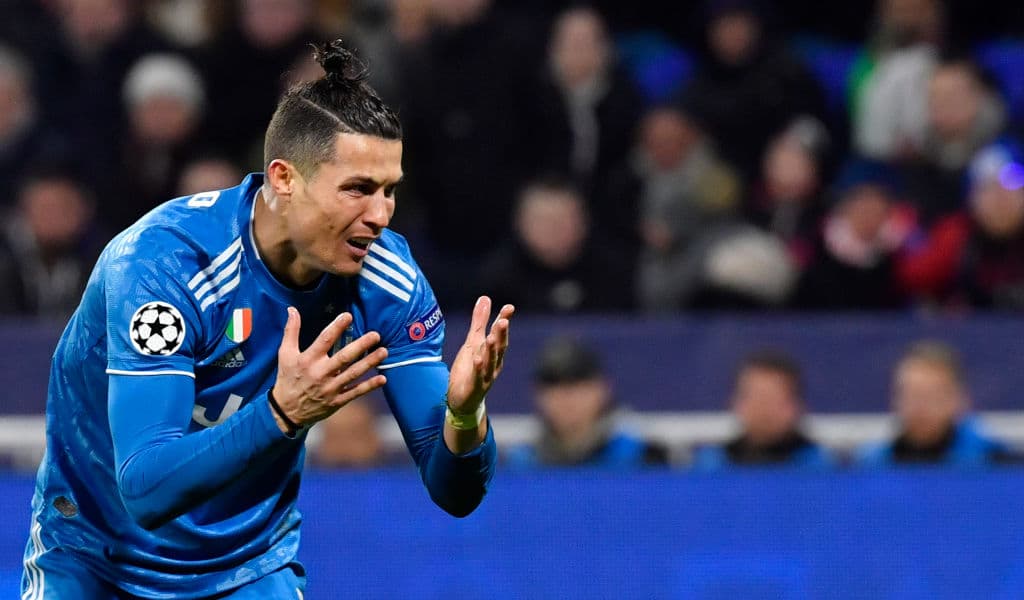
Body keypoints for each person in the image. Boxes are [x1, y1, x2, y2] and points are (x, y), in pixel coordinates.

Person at [21, 40, 514, 599]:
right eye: (356, 189)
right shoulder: (165, 267)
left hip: (245, 569)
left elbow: (456, 493)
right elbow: (146, 489)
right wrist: (281, 413)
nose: (378, 216)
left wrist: (467, 412)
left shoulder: (386, 281)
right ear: (283, 179)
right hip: (95, 559)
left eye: (388, 191)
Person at [505, 336, 668, 468]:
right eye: (554, 385)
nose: (566, 398)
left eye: (577, 384)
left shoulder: (643, 457)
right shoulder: (519, 463)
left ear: (603, 389)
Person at [478, 178, 634, 313]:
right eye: (544, 221)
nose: (554, 229)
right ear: (520, 223)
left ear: (585, 221)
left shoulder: (613, 271)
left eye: (564, 220)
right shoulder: (496, 281)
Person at [856, 341, 1011, 466]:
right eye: (911, 395)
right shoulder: (871, 466)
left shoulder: (995, 465)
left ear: (958, 400)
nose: (919, 407)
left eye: (931, 396)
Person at [691, 351, 835, 469]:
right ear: (735, 402)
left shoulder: (821, 468)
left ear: (797, 405)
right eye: (756, 398)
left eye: (774, 400)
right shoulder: (710, 466)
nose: (763, 410)